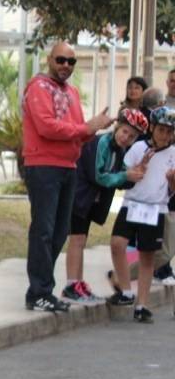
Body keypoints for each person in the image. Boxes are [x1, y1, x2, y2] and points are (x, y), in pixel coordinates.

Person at [17, 41, 112, 314]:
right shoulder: (37, 87)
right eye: (61, 60)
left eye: (71, 62)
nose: (65, 66)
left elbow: (79, 133)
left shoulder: (71, 91)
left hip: (69, 166)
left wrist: (95, 128)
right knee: (44, 230)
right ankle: (39, 292)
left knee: (59, 232)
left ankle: (41, 290)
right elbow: (47, 127)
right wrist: (85, 127)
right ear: (50, 59)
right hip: (43, 165)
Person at [63, 108, 147, 304]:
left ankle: (77, 283)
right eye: (125, 131)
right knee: (76, 239)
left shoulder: (120, 149)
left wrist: (134, 176)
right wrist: (126, 176)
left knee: (81, 240)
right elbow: (99, 176)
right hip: (79, 196)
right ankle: (71, 285)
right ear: (117, 126)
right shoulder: (101, 142)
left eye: (132, 136)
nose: (126, 138)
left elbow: (119, 176)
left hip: (91, 200)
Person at [108, 106, 175, 322]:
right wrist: (139, 168)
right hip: (132, 204)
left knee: (147, 256)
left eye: (169, 131)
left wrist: (172, 179)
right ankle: (127, 291)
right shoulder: (138, 148)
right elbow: (125, 175)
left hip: (155, 208)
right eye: (161, 130)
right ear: (152, 128)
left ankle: (142, 304)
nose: (165, 135)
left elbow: (172, 189)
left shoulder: (173, 154)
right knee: (117, 243)